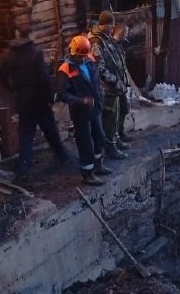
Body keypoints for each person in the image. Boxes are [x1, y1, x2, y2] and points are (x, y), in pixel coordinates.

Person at [0, 28, 72, 177]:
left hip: (23, 102)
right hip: (39, 101)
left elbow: (1, 78)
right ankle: (63, 157)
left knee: (25, 134)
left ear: (17, 36)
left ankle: (24, 165)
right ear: (30, 35)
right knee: (50, 130)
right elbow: (43, 79)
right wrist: (49, 99)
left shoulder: (9, 55)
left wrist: (14, 90)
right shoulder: (35, 53)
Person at [57, 35, 112, 186]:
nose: (82, 59)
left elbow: (95, 80)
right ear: (72, 53)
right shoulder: (65, 69)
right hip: (80, 111)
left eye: (84, 56)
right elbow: (62, 94)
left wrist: (100, 98)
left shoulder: (89, 60)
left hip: (95, 107)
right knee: (85, 141)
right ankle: (87, 173)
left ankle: (97, 165)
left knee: (99, 136)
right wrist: (80, 101)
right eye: (80, 56)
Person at [88, 11, 128, 160]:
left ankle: (115, 141)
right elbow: (99, 68)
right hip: (106, 87)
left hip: (114, 86)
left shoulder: (105, 38)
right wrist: (114, 80)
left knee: (115, 117)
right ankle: (110, 147)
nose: (112, 28)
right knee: (109, 119)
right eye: (110, 26)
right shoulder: (96, 41)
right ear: (103, 25)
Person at [112, 19, 133, 147]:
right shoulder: (111, 46)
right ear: (121, 31)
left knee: (124, 108)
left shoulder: (120, 45)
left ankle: (121, 132)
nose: (127, 35)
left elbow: (122, 66)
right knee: (116, 113)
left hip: (122, 84)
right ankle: (116, 138)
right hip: (115, 85)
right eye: (126, 32)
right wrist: (117, 82)